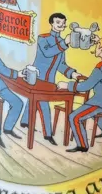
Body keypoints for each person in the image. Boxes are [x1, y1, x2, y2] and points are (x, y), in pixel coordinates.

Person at [21, 12, 78, 144]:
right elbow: (48, 52)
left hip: (49, 81)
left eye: (63, 23)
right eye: (58, 22)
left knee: (33, 100)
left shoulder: (62, 44)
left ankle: (25, 122)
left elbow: (61, 65)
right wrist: (65, 43)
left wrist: (72, 73)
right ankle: (47, 134)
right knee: (44, 105)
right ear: (52, 23)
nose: (61, 25)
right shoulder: (43, 38)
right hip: (36, 77)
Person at [65, 37, 102, 152]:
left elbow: (85, 86)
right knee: (90, 110)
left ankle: (82, 145)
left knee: (74, 117)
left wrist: (67, 85)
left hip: (101, 102)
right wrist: (100, 40)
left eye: (97, 46)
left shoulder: (100, 67)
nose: (95, 48)